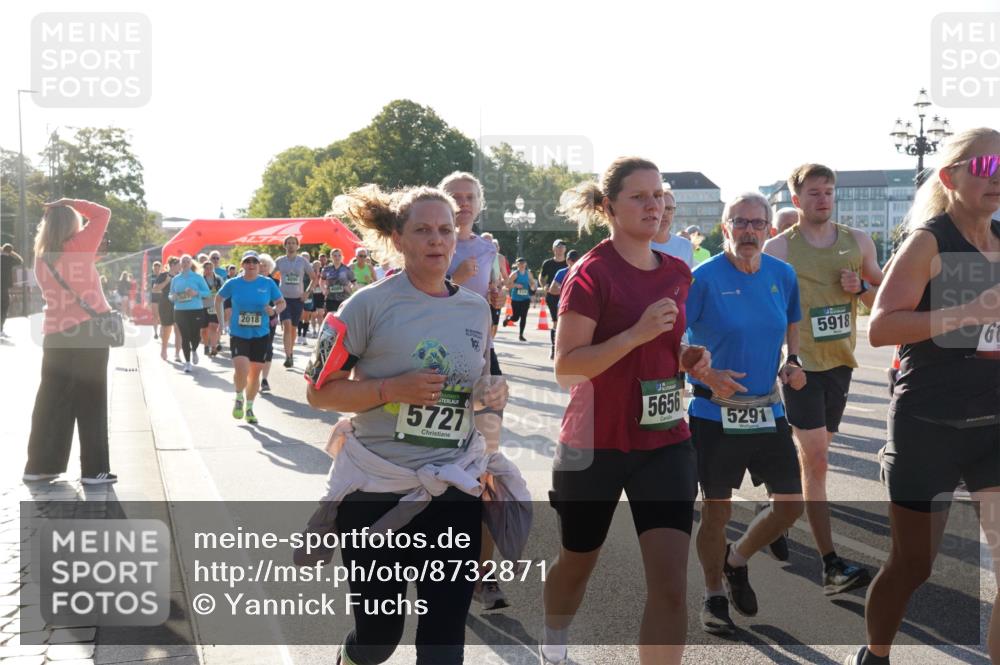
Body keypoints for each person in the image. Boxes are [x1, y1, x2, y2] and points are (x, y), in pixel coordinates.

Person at [306, 183, 512, 665]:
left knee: (443, 640)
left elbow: (481, 389)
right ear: (398, 238)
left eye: (445, 230)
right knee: (379, 638)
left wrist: (491, 399)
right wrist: (389, 389)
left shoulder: (475, 308)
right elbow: (317, 391)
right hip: (377, 490)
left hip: (452, 486)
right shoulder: (365, 305)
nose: (437, 240)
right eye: (423, 230)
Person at [543, 158, 713, 665]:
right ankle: (553, 646)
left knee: (670, 586)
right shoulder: (591, 273)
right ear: (609, 206)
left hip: (664, 442)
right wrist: (636, 333)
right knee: (578, 560)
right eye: (639, 196)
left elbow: (666, 349)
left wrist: (689, 359)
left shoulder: (679, 273)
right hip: (594, 442)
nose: (653, 205)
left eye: (658, 194)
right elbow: (568, 369)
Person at [845, 129, 1000, 665]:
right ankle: (875, 654)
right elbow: (883, 327)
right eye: (984, 162)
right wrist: (969, 312)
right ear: (949, 176)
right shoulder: (928, 241)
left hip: (994, 424)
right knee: (914, 565)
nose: (997, 172)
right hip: (929, 423)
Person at [686, 192, 806, 635]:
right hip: (714, 412)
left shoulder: (783, 274)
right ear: (725, 229)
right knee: (716, 513)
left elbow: (791, 319)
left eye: (758, 223)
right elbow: (675, 340)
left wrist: (794, 361)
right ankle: (714, 593)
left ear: (769, 230)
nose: (749, 231)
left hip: (767, 408)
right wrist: (705, 370)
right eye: (740, 222)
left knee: (791, 505)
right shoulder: (702, 278)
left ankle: (736, 561)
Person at [763, 163, 884, 596]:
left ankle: (777, 515)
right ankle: (830, 565)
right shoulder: (778, 249)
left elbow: (882, 300)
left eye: (829, 191)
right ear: (796, 200)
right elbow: (764, 310)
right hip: (800, 367)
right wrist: (780, 357)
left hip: (840, 364)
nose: (823, 199)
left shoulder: (858, 242)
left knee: (817, 457)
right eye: (813, 192)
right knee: (817, 460)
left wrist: (859, 290)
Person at [439, 171, 508, 609]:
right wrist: (456, 280)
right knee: (440, 469)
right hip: (435, 364)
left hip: (482, 363)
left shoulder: (489, 249)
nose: (462, 203)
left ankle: (484, 575)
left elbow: (492, 314)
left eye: (469, 197)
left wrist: (498, 302)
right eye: (455, 197)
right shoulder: (429, 240)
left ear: (480, 204)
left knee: (485, 468)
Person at [23, 199, 117, 485]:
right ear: (73, 225)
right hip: (88, 331)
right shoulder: (78, 246)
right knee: (92, 398)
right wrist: (67, 202)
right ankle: (94, 469)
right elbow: (102, 213)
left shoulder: (40, 258)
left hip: (55, 334)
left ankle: (39, 466)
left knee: (51, 399)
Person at [215, 251, 286, 425]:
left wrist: (274, 311)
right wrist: (221, 322)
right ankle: (239, 396)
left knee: (254, 375)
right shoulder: (233, 283)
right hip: (239, 333)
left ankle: (249, 408)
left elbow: (281, 303)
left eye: (254, 261)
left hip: (260, 334)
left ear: (259, 264)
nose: (251, 264)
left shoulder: (267, 283)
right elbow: (218, 299)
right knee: (242, 370)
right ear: (242, 265)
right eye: (247, 262)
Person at [275, 236, 315, 368]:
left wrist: (307, 292)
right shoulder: (280, 261)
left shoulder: (303, 261)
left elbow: (314, 278)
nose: (291, 245)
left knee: (293, 328)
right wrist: (273, 292)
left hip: (298, 299)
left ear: (298, 246)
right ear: (284, 245)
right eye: (288, 243)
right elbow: (269, 276)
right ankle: (288, 356)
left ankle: (290, 352)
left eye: (293, 243)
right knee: (286, 325)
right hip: (283, 299)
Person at [169, 255, 211, 373]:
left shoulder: (197, 277)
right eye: (183, 262)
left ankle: (194, 350)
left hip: (196, 310)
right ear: (180, 264)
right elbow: (170, 295)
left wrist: (195, 293)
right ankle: (187, 363)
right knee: (185, 336)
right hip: (180, 311)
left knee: (196, 336)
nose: (185, 263)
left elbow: (207, 293)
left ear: (191, 263)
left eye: (188, 261)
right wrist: (174, 297)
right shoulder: (176, 279)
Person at [545, 249, 580, 359]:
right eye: (571, 260)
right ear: (567, 260)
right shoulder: (561, 272)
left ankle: (574, 352)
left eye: (576, 260)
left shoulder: (583, 272)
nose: (574, 262)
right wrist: (566, 288)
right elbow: (552, 289)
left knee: (578, 329)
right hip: (563, 305)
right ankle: (554, 348)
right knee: (558, 327)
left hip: (579, 306)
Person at [540, 239, 569, 358]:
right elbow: (542, 277)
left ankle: (565, 348)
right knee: (556, 322)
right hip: (552, 296)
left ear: (565, 249)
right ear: (554, 249)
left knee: (566, 323)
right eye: (558, 247)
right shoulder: (548, 263)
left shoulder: (569, 264)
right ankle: (554, 348)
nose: (560, 249)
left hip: (566, 296)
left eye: (562, 247)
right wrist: (544, 286)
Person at [651, 188, 694, 268]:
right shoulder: (638, 246)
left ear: (674, 212)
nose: (664, 214)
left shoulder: (685, 246)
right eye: (660, 208)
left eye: (669, 209)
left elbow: (688, 279)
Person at [258, 253, 282, 393]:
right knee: (254, 348)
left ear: (270, 268)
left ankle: (264, 379)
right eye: (259, 265)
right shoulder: (249, 281)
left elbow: (280, 302)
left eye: (265, 265)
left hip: (269, 320)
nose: (262, 268)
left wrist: (273, 310)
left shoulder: (275, 282)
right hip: (252, 320)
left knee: (267, 348)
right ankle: (253, 376)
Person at [153, 256, 182, 362]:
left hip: (179, 304)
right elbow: (155, 289)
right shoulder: (163, 275)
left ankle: (177, 354)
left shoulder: (181, 276)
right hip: (165, 304)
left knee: (178, 329)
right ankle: (164, 349)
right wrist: (166, 281)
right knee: (166, 329)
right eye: (179, 264)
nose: (181, 266)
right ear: (173, 265)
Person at [503, 258, 536, 342]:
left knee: (523, 317)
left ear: (525, 264)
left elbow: (532, 282)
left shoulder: (528, 274)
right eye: (520, 263)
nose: (522, 265)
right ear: (517, 265)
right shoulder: (515, 274)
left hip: (525, 298)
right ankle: (508, 318)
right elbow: (507, 285)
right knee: (515, 318)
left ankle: (521, 335)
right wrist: (515, 285)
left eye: (523, 263)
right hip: (516, 299)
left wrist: (533, 287)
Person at [321, 247, 355, 314]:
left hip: (344, 298)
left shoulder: (346, 269)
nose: (337, 257)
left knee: (343, 318)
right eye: (335, 256)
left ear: (342, 257)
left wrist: (350, 289)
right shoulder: (326, 269)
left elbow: (354, 283)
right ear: (331, 257)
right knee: (333, 318)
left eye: (339, 255)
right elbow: (321, 281)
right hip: (331, 298)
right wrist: (324, 290)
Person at [201, 259, 224, 356]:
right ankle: (206, 345)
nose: (209, 270)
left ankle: (213, 347)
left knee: (213, 326)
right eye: (207, 268)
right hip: (203, 306)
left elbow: (224, 291)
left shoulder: (218, 279)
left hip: (215, 306)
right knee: (204, 329)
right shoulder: (200, 280)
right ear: (204, 269)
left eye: (211, 268)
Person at [1, 243, 25, 336]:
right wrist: (12, 253)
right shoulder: (9, 260)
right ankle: (0, 329)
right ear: (10, 251)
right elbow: (20, 260)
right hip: (3, 289)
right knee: (4, 308)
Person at [148, 260, 162, 338]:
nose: (156, 269)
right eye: (155, 268)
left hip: (161, 298)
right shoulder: (150, 277)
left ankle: (161, 330)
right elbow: (148, 289)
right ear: (153, 268)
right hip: (153, 298)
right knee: (155, 316)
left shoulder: (163, 276)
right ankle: (155, 332)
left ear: (160, 268)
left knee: (161, 316)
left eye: (158, 268)